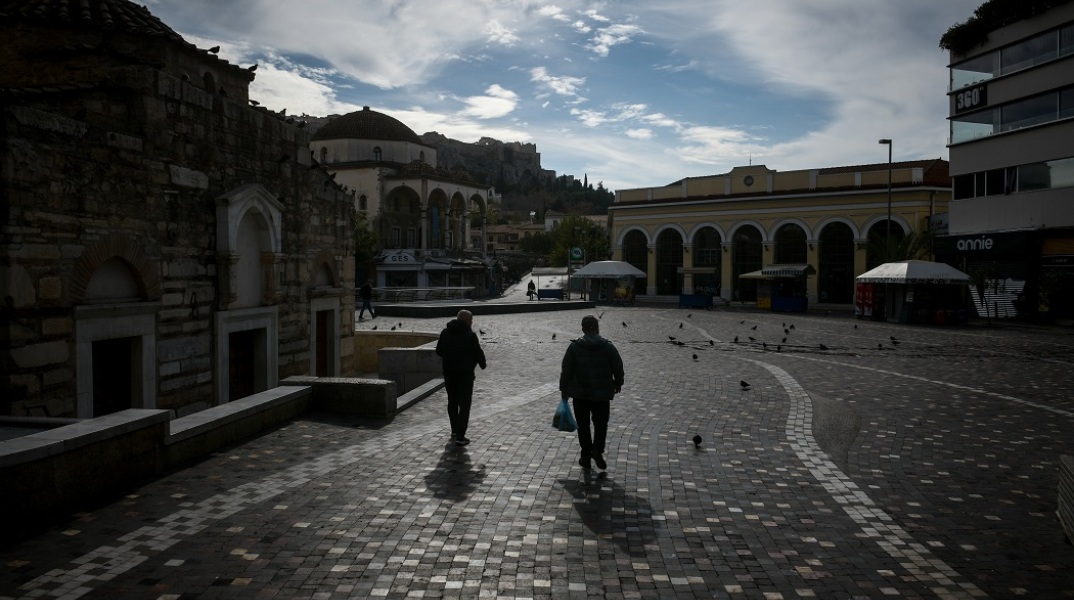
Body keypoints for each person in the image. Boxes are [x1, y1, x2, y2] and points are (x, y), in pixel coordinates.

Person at [559, 315, 624, 470]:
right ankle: (597, 450)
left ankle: (586, 455)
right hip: (601, 395)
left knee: (583, 425)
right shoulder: (608, 347)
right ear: (597, 328)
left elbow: (566, 369)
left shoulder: (574, 347)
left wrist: (564, 389)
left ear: (583, 329)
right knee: (601, 424)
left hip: (580, 394)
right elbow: (618, 366)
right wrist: (618, 382)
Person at [435, 309, 487, 446]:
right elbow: (478, 353)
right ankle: (460, 436)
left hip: (449, 373)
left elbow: (438, 351)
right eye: (471, 320)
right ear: (465, 321)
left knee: (452, 401)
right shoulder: (470, 335)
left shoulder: (445, 333)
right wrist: (482, 364)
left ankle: (454, 430)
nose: (472, 323)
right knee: (464, 405)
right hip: (465, 375)